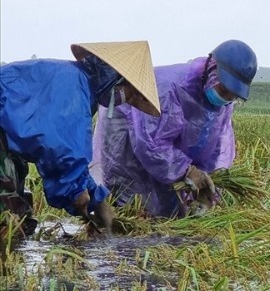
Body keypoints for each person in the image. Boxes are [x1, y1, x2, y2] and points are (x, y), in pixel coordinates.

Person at [1, 41, 161, 239]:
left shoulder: (80, 85)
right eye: (126, 93)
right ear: (114, 79)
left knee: (19, 218)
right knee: (8, 220)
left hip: (7, 145)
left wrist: (98, 202)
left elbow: (75, 159)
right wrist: (77, 194)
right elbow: (59, 150)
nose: (123, 99)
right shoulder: (73, 85)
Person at [92, 40, 257, 218]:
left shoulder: (222, 105)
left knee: (168, 210)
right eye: (223, 90)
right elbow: (151, 144)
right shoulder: (168, 88)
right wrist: (186, 170)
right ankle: (117, 227)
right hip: (128, 128)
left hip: (160, 147)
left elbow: (213, 146)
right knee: (130, 196)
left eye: (232, 96)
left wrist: (207, 184)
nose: (225, 98)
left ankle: (159, 229)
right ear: (211, 69)